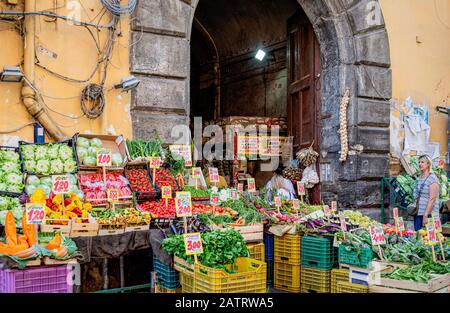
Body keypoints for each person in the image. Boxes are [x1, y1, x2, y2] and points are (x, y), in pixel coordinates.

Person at [412, 155, 440, 231]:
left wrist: (425, 215)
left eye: (422, 162)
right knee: (419, 237)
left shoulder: (432, 178)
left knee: (430, 240)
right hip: (418, 212)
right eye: (419, 162)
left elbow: (432, 199)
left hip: (429, 214)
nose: (420, 164)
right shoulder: (420, 177)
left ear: (428, 164)